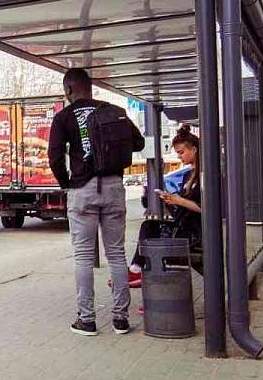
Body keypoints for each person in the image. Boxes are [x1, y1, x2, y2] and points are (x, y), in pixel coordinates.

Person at [48, 68, 145, 336]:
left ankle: (87, 319)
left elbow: (54, 157)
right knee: (116, 253)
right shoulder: (114, 110)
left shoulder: (64, 117)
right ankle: (120, 319)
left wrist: (66, 183)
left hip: (82, 189)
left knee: (82, 254)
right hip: (114, 186)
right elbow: (137, 143)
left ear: (69, 90)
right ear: (90, 88)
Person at [128, 125, 202, 291]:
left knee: (150, 229)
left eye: (181, 152)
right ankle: (138, 270)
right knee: (149, 226)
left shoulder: (204, 174)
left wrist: (179, 201)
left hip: (195, 231)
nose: (179, 156)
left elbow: (206, 208)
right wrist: (171, 200)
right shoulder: (190, 174)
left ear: (194, 150)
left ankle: (140, 272)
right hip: (185, 224)